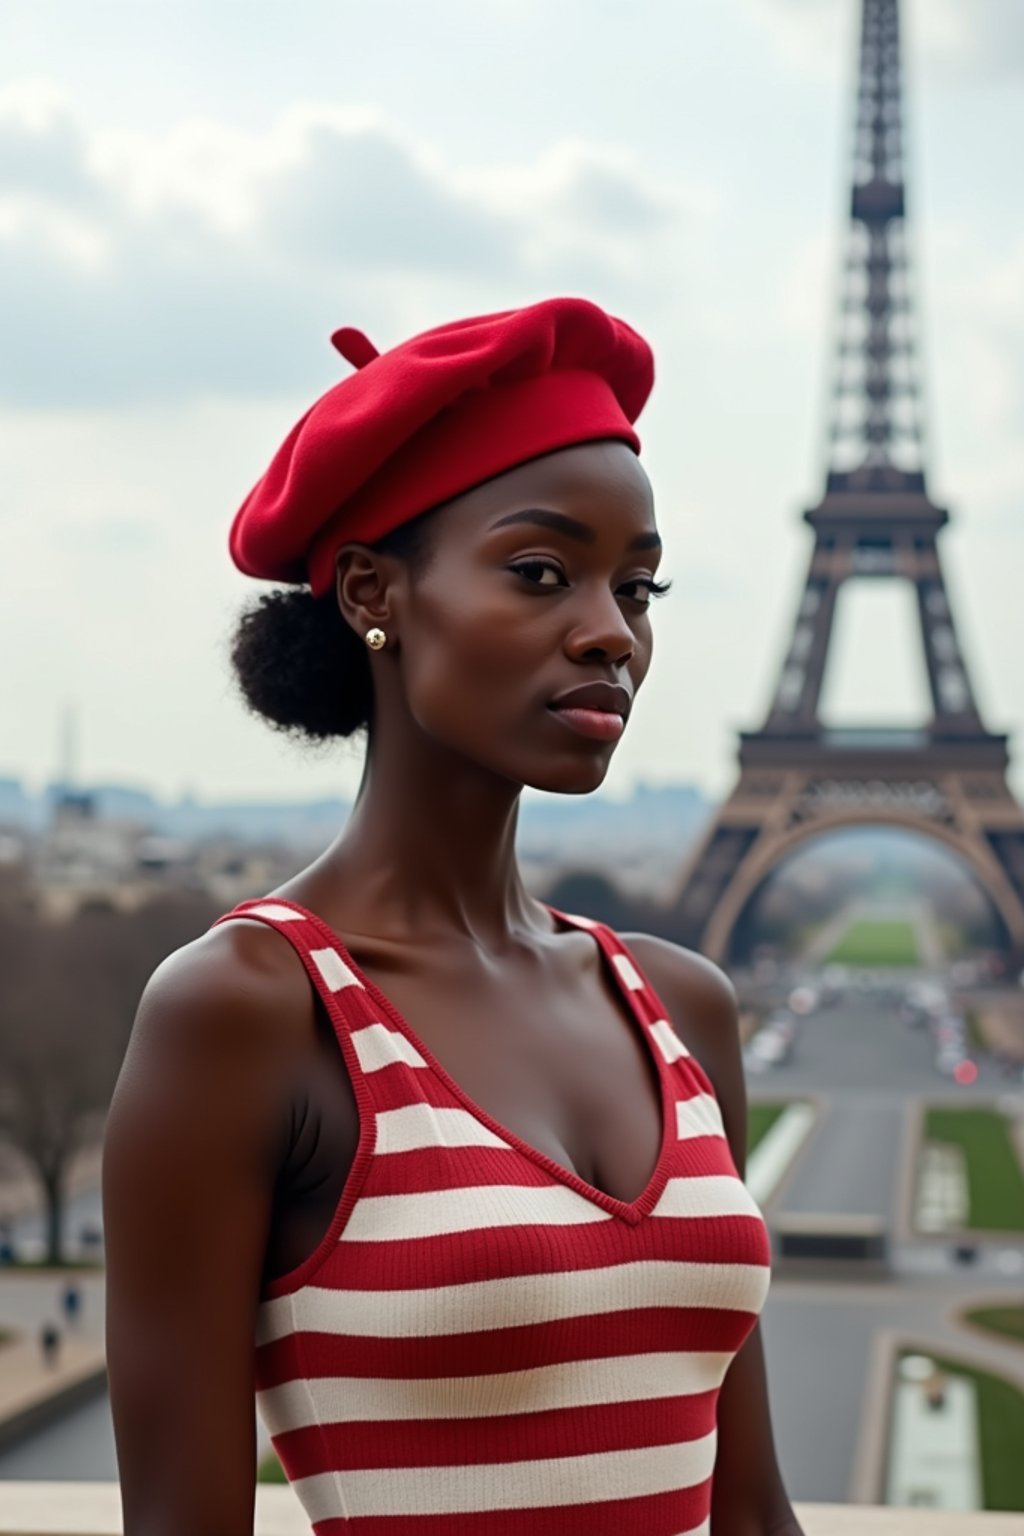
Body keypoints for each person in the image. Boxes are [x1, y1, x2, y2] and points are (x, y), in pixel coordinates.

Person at [102, 298, 803, 1535]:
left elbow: (749, 1515)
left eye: (638, 587)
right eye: (542, 573)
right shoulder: (246, 1013)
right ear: (375, 590)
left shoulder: (679, 1002)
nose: (611, 634)